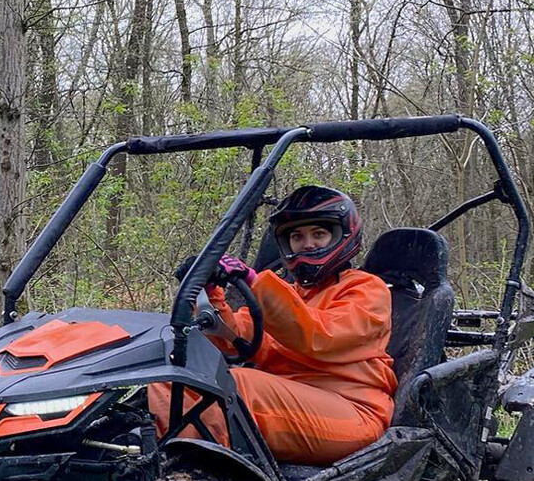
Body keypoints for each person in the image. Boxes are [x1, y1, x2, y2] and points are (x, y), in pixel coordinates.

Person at [150, 186, 396, 466]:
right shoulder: (294, 294)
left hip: (353, 411)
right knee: (172, 377)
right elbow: (239, 336)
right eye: (297, 237)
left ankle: (186, 470)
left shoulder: (366, 289)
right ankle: (146, 458)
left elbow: (317, 335)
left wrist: (255, 280)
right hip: (291, 398)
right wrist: (209, 292)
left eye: (318, 234)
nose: (307, 244)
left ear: (341, 235)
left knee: (238, 386)